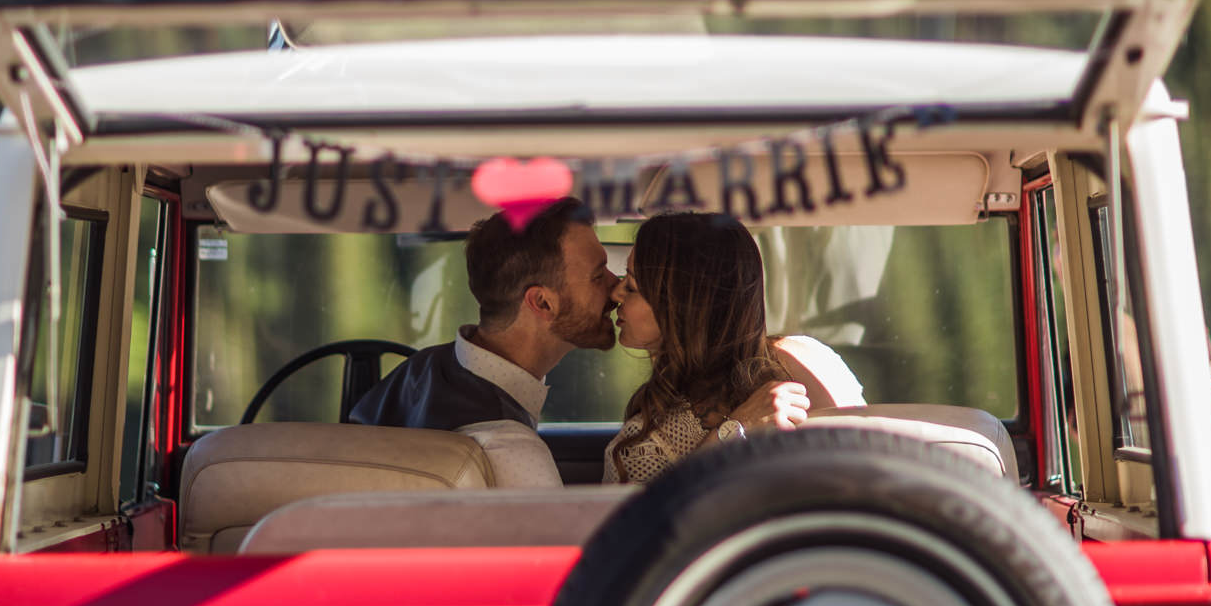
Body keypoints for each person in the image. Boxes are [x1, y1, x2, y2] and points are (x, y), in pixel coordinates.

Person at [350, 196, 616, 488]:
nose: (615, 285)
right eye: (597, 275)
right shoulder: (512, 450)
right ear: (542, 302)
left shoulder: (412, 372)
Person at [604, 211, 865, 485]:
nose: (615, 294)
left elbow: (648, 524)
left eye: (631, 286)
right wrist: (736, 429)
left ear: (682, 307)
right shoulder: (814, 361)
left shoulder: (643, 448)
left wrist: (729, 434)